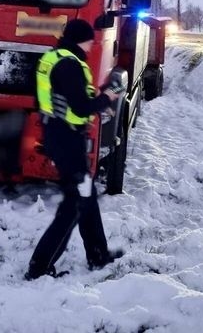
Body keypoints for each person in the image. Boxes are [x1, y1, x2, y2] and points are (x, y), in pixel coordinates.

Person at [26, 18, 123, 280]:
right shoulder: (70, 64)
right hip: (67, 140)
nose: (92, 46)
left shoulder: (52, 58)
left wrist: (97, 103)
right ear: (82, 39)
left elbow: (56, 100)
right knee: (74, 203)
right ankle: (39, 266)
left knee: (86, 195)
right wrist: (107, 99)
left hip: (57, 134)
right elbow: (80, 107)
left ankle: (98, 254)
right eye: (90, 40)